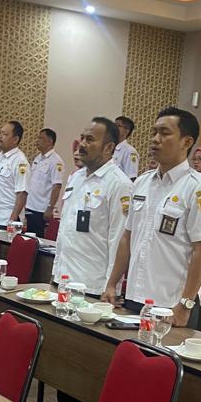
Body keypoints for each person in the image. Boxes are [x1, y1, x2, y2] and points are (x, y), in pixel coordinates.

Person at [101, 108, 201, 402]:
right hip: (137, 300)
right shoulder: (143, 182)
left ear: (187, 142)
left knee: (173, 388)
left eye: (164, 133)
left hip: (171, 309)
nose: (154, 139)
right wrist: (112, 283)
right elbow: (127, 238)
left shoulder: (198, 189)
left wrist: (186, 303)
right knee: (137, 382)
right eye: (153, 131)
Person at [52, 118, 131, 296]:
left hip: (92, 286)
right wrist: (55, 272)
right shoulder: (76, 177)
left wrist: (111, 287)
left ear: (108, 147)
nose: (81, 144)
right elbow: (64, 231)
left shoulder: (119, 184)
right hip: (63, 279)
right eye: (82, 138)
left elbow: (119, 241)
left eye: (90, 140)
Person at [0, 120, 30, 229]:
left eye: (4, 134)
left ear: (15, 139)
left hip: (6, 220)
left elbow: (22, 194)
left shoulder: (20, 161)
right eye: (0, 133)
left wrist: (12, 221)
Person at [24, 128, 64, 236]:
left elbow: (57, 186)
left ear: (50, 141)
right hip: (30, 206)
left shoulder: (56, 161)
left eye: (41, 138)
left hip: (41, 209)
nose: (37, 140)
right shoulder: (38, 158)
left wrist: (50, 208)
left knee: (37, 239)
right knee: (28, 238)